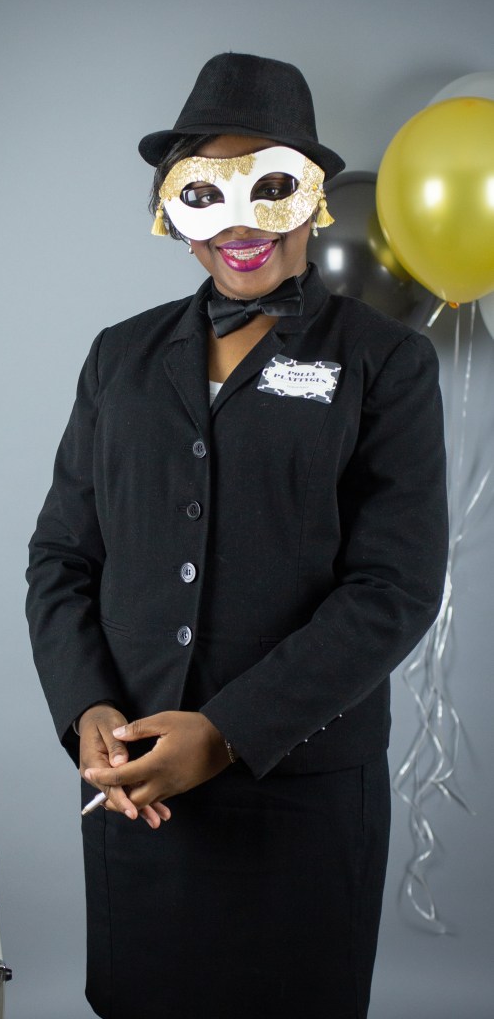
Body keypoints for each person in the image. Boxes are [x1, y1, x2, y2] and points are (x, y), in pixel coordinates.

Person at [26, 53, 448, 1019]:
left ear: (313, 201)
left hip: (301, 783)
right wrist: (87, 712)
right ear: (174, 214)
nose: (242, 223)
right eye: (207, 190)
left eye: (270, 185)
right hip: (134, 778)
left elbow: (393, 586)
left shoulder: (387, 364)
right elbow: (61, 557)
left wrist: (225, 732)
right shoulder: (118, 356)